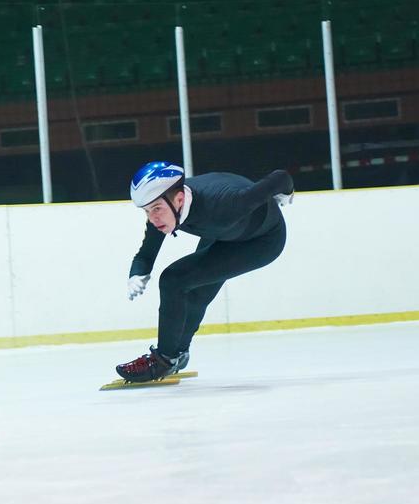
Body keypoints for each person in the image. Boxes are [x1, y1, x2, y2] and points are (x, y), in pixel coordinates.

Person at [115, 161, 294, 383]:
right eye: (147, 211)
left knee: (174, 279)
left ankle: (164, 359)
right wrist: (137, 273)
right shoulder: (165, 206)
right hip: (224, 232)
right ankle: (179, 353)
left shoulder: (226, 203)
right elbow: (146, 254)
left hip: (262, 241)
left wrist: (285, 194)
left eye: (156, 209)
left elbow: (281, 177)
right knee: (196, 291)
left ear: (179, 199)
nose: (153, 218)